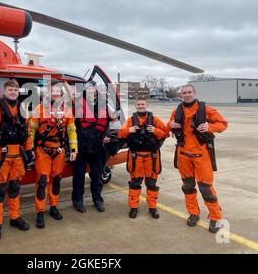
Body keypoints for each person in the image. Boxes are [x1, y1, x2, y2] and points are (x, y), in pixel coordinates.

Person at [167, 84, 228, 233]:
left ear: (194, 93)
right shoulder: (176, 111)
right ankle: (193, 213)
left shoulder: (206, 109)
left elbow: (223, 124)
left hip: (201, 156)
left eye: (189, 92)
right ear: (180, 95)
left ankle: (215, 216)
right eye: (184, 93)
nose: (187, 95)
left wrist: (210, 127)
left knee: (206, 188)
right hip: (183, 156)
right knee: (187, 187)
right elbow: (168, 126)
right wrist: (170, 124)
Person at [0, 79, 33, 241]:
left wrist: (29, 150)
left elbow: (27, 132)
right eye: (10, 90)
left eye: (15, 90)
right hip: (2, 156)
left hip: (18, 156)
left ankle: (15, 217)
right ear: (4, 92)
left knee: (14, 188)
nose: (13, 92)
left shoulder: (22, 109)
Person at [29, 83, 78, 228]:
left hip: (59, 150)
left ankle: (54, 207)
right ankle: (39, 211)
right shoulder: (39, 109)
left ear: (61, 95)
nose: (55, 94)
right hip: (42, 150)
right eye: (53, 92)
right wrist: (30, 149)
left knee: (56, 180)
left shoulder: (67, 111)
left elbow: (72, 131)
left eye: (58, 91)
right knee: (42, 181)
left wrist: (74, 149)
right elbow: (30, 131)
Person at [118, 97, 168, 219]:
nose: (141, 106)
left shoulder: (155, 120)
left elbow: (166, 133)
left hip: (152, 157)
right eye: (138, 104)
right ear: (136, 106)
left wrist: (155, 130)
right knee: (135, 183)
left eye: (142, 104)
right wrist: (128, 130)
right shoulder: (130, 120)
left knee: (151, 184)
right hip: (136, 157)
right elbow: (120, 134)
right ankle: (134, 207)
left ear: (147, 105)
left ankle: (152, 207)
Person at [72, 81, 113, 213]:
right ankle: (78, 200)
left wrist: (106, 136)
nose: (91, 91)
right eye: (88, 88)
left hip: (98, 147)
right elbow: (71, 124)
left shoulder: (104, 105)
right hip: (82, 146)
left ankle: (98, 200)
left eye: (93, 89)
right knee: (79, 176)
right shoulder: (77, 104)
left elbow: (107, 125)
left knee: (97, 176)